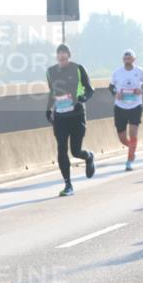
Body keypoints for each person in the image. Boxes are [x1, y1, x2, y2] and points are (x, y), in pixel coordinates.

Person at [46, 43, 96, 196]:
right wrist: (48, 109)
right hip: (60, 117)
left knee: (75, 151)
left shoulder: (78, 69)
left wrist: (83, 98)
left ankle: (88, 156)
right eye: (59, 53)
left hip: (76, 115)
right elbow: (52, 92)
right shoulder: (50, 72)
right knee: (61, 148)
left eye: (64, 53)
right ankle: (68, 184)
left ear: (69, 55)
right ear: (56, 56)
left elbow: (90, 89)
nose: (61, 55)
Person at [109, 49, 143, 170]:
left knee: (133, 134)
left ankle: (129, 161)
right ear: (123, 60)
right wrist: (115, 93)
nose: (127, 60)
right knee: (122, 138)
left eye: (129, 58)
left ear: (134, 59)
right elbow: (111, 87)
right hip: (120, 107)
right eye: (125, 58)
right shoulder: (117, 72)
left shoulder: (140, 71)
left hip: (135, 106)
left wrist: (141, 90)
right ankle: (132, 149)